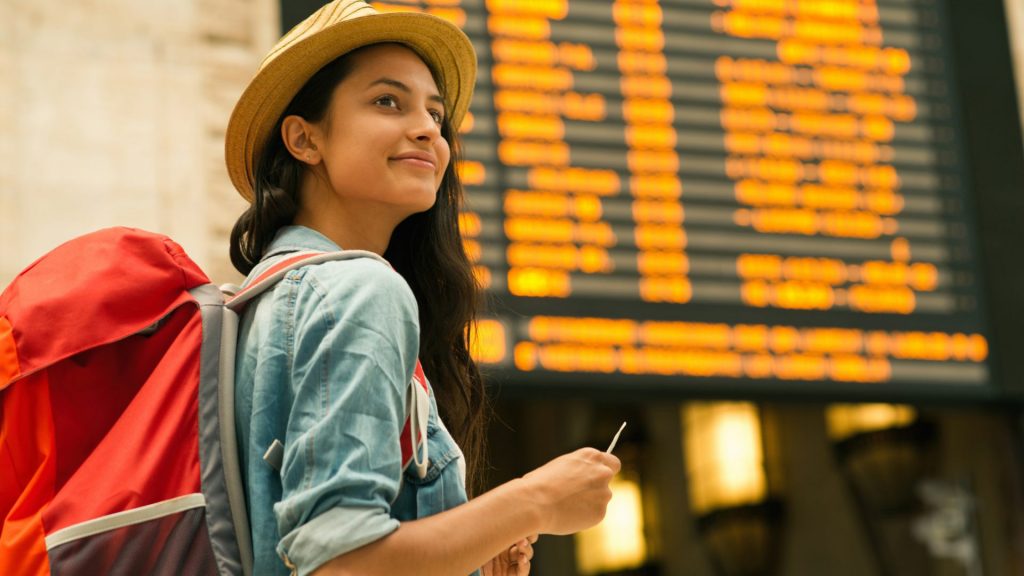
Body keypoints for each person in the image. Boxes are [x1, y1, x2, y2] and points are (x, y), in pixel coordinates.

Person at [223, 2, 621, 575]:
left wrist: (473, 547)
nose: (427, 129)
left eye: (435, 115)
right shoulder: (359, 290)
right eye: (388, 101)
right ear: (304, 140)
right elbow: (341, 561)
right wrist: (534, 500)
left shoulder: (263, 299)